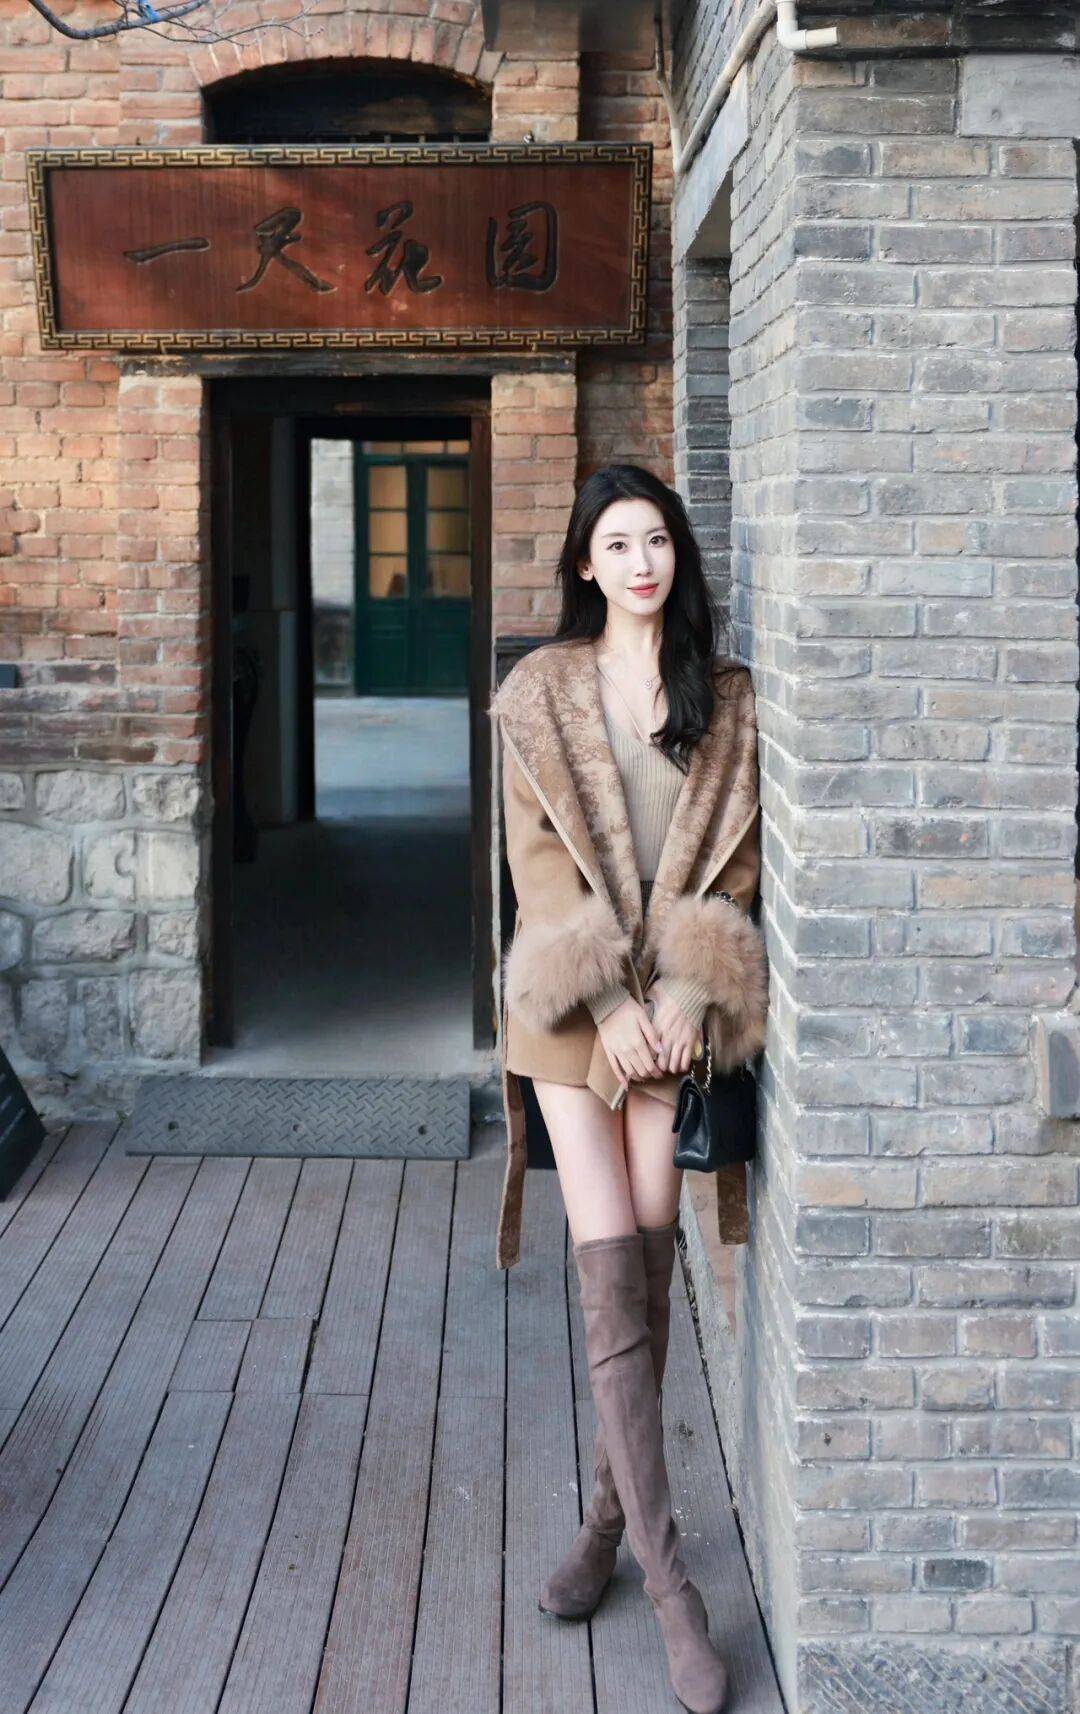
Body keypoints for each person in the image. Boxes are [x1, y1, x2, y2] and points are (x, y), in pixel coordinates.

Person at [488, 464, 768, 1714]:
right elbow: (539, 875)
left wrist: (688, 1001)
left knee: (649, 1286)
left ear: (678, 556)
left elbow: (736, 871)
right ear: (584, 564)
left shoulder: (728, 701)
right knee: (611, 1285)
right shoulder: (540, 694)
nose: (642, 561)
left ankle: (607, 1527)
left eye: (658, 539)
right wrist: (610, 1006)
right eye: (618, 543)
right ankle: (674, 1595)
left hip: (672, 1022)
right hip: (573, 1015)